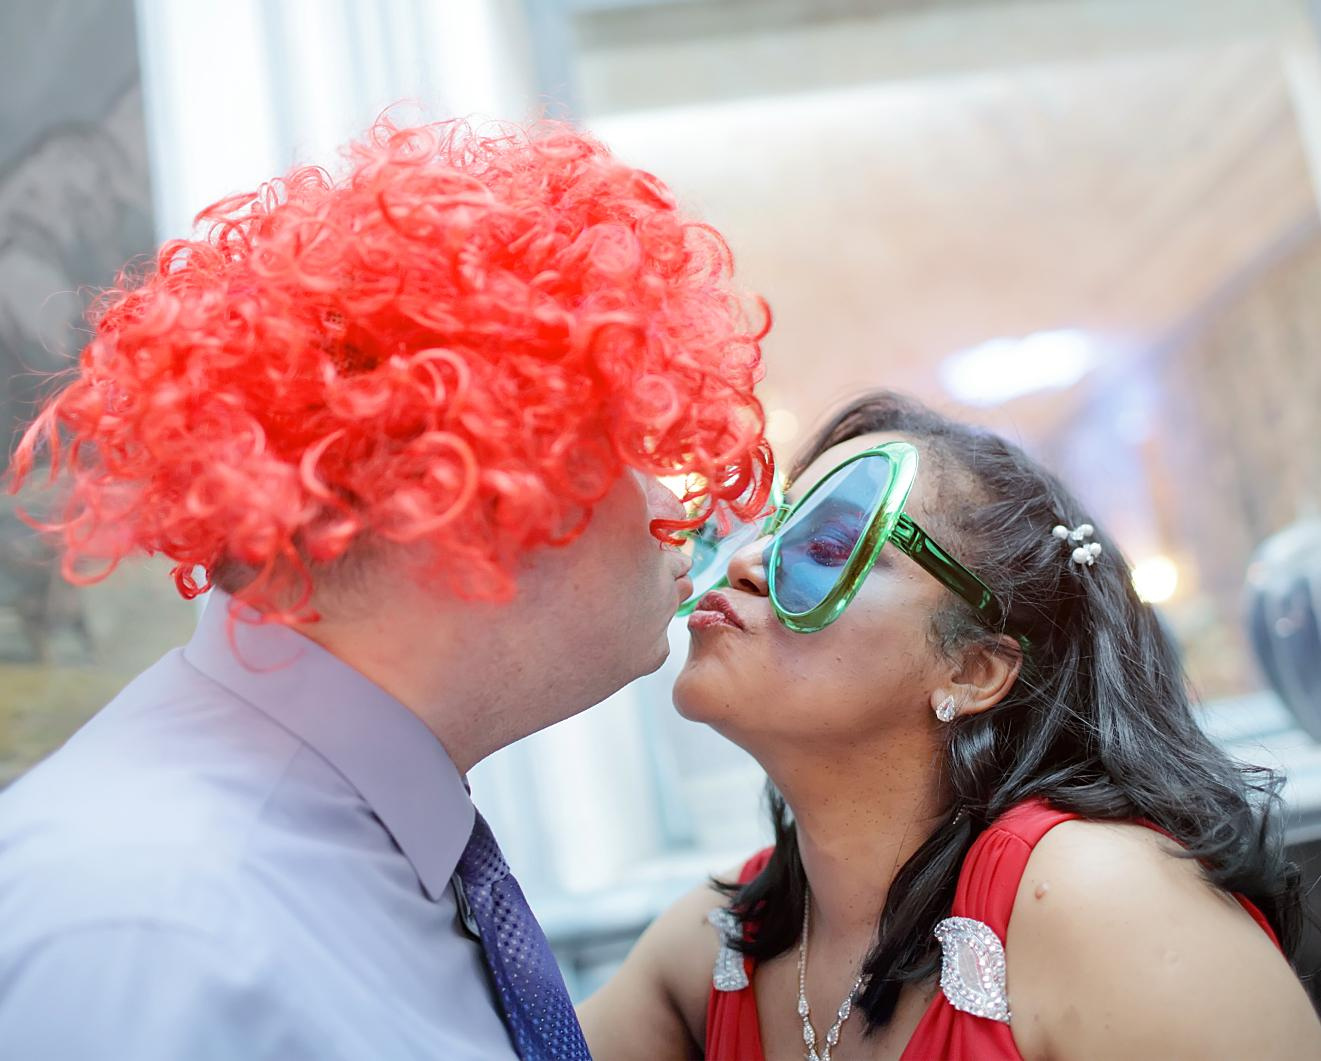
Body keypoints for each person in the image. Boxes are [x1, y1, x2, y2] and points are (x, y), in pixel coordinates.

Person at [0, 117, 772, 1058]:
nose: (673, 503)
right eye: (628, 447)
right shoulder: (154, 936)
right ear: (460, 494)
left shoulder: (284, 861)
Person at [580, 391, 1321, 1059]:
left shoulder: (1105, 902)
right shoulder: (713, 946)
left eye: (828, 549)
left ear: (972, 670)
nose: (746, 561)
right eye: (771, 529)